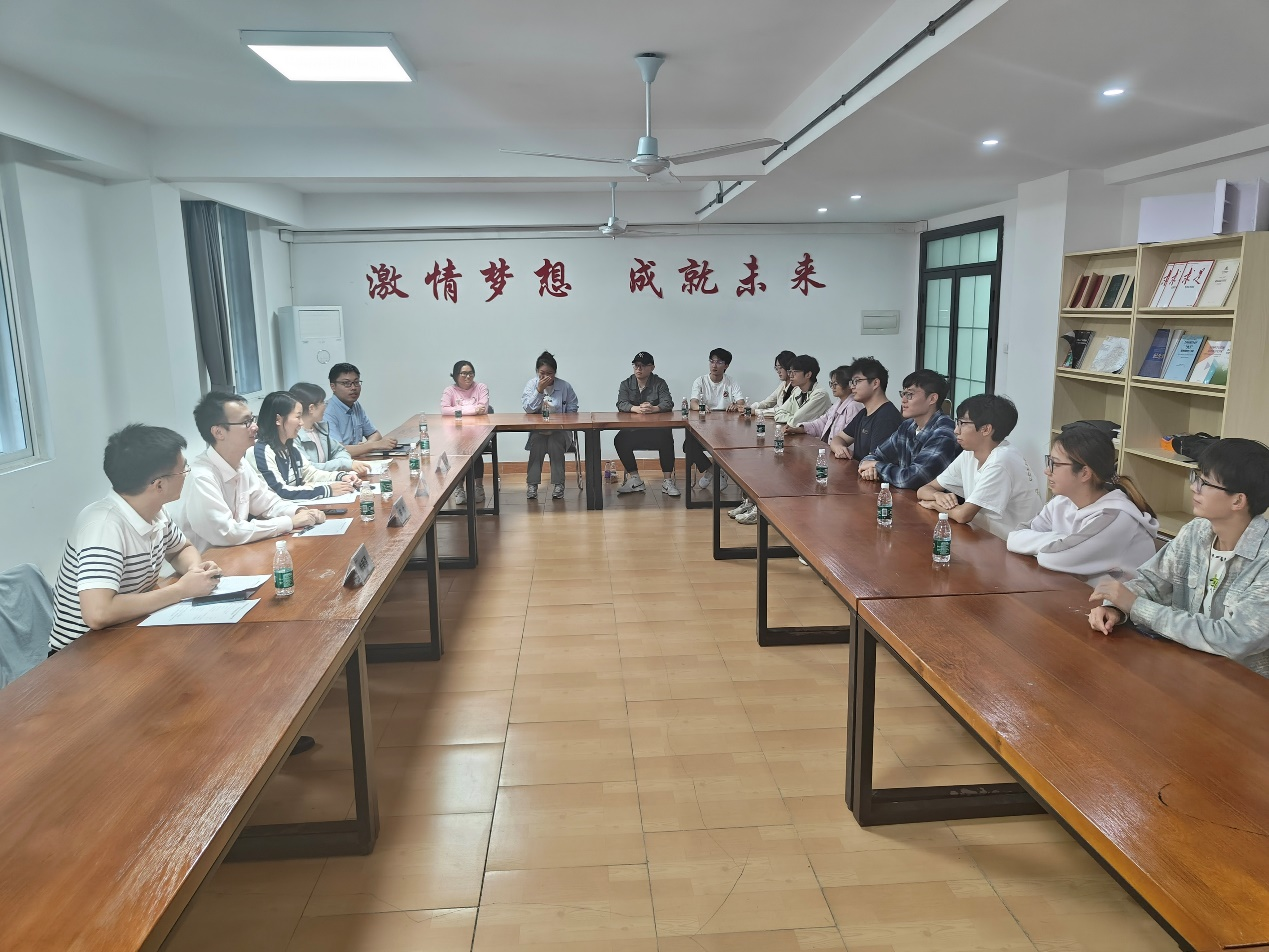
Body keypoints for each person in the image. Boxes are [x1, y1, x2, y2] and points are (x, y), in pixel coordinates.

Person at [1088, 438, 1269, 678]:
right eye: (1196, 477)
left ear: (1238, 500)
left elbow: (1233, 639)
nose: (1194, 487)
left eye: (1205, 483)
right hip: (1184, 670)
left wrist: (1135, 606)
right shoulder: (1195, 532)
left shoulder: (1264, 560)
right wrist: (1115, 609)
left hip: (1241, 687)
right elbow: (1151, 582)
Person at [49, 424, 221, 653]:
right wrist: (182, 590)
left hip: (128, 632)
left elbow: (181, 549)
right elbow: (98, 613)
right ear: (159, 485)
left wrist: (194, 571)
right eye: (183, 470)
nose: (186, 475)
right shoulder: (104, 526)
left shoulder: (155, 511)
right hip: (82, 654)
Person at [179, 391, 326, 553]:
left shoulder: (241, 464)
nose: (255, 427)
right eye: (246, 422)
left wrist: (300, 512)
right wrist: (289, 522)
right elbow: (227, 533)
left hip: (238, 553)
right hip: (211, 560)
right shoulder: (201, 476)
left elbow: (268, 503)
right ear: (218, 432)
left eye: (252, 419)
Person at [1008, 425, 1158, 581]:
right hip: (1072, 588)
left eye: (1056, 464)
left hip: (1114, 597)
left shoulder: (1116, 517)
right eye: (1049, 461)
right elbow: (1014, 537)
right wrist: (1064, 540)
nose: (1047, 471)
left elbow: (1050, 557)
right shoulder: (1062, 501)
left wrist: (1059, 545)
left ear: (1085, 473)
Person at [916, 394, 1043, 539]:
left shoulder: (1001, 460)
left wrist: (934, 504)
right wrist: (937, 495)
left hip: (1013, 545)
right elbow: (923, 490)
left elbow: (963, 515)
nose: (956, 430)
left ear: (986, 429)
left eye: (962, 423)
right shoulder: (970, 453)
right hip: (985, 537)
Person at [858, 369, 958, 490]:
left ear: (932, 399)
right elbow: (875, 455)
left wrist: (876, 466)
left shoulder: (944, 432)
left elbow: (911, 479)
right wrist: (870, 467)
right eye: (903, 394)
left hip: (934, 501)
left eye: (910, 395)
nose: (903, 400)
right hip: (906, 498)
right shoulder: (907, 426)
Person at [251, 391, 360, 501]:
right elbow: (280, 492)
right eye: (298, 417)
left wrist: (341, 476)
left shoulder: (289, 445)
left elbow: (310, 473)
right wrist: (327, 490)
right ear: (278, 420)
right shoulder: (261, 451)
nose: (301, 423)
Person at [614, 351, 679, 497]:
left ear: (652, 367)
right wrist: (635, 408)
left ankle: (667, 481)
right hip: (634, 431)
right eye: (636, 365)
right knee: (620, 439)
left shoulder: (659, 383)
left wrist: (654, 408)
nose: (639, 368)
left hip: (656, 430)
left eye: (643, 366)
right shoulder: (626, 384)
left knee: (667, 438)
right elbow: (621, 403)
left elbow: (668, 402)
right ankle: (635, 479)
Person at [520, 350, 579, 500]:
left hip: (560, 431)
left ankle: (559, 484)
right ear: (537, 372)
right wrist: (539, 390)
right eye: (542, 373)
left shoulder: (565, 386)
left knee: (554, 443)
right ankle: (532, 485)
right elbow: (528, 409)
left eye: (550, 373)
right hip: (538, 431)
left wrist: (563, 419)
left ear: (555, 373)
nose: (546, 377)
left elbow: (573, 409)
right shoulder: (531, 385)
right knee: (537, 443)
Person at [685, 347, 745, 493]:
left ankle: (713, 472)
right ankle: (714, 471)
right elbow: (693, 403)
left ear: (726, 365)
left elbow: (741, 403)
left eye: (719, 362)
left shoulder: (731, 382)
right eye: (712, 361)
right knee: (688, 445)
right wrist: (701, 407)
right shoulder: (700, 381)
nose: (714, 365)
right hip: (704, 427)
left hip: (727, 430)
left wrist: (735, 405)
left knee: (735, 444)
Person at [289, 382, 371, 478]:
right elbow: (308, 469)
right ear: (311, 408)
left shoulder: (320, 429)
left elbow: (340, 450)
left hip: (329, 480)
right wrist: (343, 464)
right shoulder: (293, 436)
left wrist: (345, 463)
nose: (325, 406)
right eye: (322, 402)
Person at [830, 356, 902, 461]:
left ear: (875, 383)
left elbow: (874, 463)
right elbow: (839, 438)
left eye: (857, 381)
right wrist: (839, 448)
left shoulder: (886, 418)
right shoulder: (863, 413)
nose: (852, 387)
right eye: (851, 382)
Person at [323, 362, 397, 459]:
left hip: (358, 460)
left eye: (356, 382)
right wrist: (373, 445)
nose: (353, 388)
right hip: (340, 465)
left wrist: (366, 446)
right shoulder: (326, 412)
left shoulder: (355, 405)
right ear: (333, 387)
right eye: (347, 383)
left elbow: (375, 434)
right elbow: (338, 451)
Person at [441, 360, 490, 506]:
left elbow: (483, 408)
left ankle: (478, 487)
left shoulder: (481, 387)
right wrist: (472, 410)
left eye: (470, 373)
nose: (468, 376)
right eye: (464, 373)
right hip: (456, 434)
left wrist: (458, 410)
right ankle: (459, 488)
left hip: (477, 433)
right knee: (458, 453)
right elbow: (444, 410)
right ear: (456, 375)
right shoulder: (450, 391)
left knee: (476, 452)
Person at [786, 364, 862, 442]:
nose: (833, 387)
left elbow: (851, 438)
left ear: (849, 385)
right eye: (831, 384)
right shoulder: (837, 404)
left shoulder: (854, 406)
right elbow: (821, 423)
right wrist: (800, 429)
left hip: (840, 449)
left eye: (836, 384)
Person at [772, 355, 831, 427]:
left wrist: (793, 418)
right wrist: (793, 417)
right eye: (790, 372)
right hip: (796, 431)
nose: (791, 375)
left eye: (795, 372)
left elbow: (795, 421)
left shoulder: (820, 394)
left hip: (814, 434)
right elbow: (778, 414)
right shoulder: (797, 391)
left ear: (808, 374)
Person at [750, 350, 797, 417]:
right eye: (776, 368)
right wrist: (750, 407)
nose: (778, 371)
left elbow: (783, 410)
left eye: (781, 367)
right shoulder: (783, 385)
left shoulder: (797, 388)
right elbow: (767, 403)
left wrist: (756, 411)